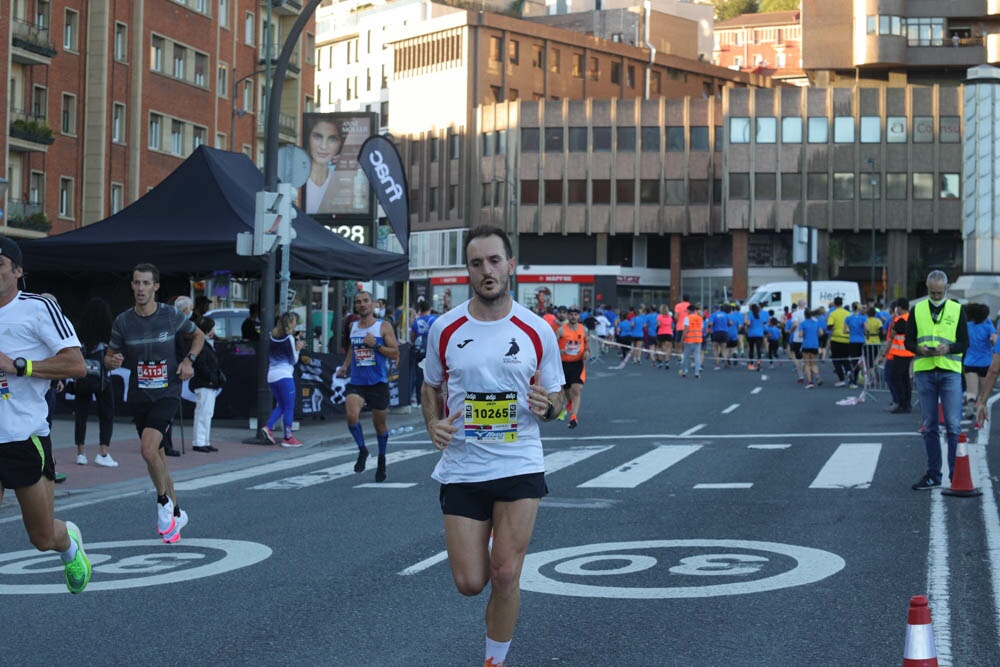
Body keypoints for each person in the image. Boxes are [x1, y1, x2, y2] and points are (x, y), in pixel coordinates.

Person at [421, 225, 565, 667]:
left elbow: (557, 397)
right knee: (470, 582)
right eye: (477, 262)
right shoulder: (444, 328)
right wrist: (433, 424)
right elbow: (430, 386)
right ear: (467, 270)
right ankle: (485, 543)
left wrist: (549, 407)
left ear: (511, 266)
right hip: (464, 466)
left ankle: (493, 662)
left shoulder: (536, 329)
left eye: (495, 261)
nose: (487, 270)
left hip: (519, 461)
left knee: (505, 574)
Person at [0, 235, 92, 593]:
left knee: (41, 536)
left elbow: (77, 364)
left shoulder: (36, 308)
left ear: (18, 271)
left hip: (23, 436)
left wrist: (19, 366)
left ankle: (68, 544)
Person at [105, 262, 205, 543]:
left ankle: (162, 503)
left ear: (156, 287)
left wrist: (189, 360)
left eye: (146, 283)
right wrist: (111, 360)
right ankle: (176, 512)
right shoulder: (123, 321)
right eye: (136, 283)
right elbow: (109, 355)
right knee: (158, 458)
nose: (140, 289)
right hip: (139, 395)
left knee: (148, 450)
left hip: (166, 393)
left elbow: (198, 335)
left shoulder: (171, 316)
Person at [907, 271, 969, 490]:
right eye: (932, 292)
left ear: (946, 289)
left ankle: (957, 475)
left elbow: (964, 342)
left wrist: (949, 348)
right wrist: (918, 348)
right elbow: (908, 341)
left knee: (953, 425)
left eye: (939, 292)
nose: (935, 296)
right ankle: (934, 474)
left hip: (950, 371)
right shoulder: (917, 310)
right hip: (925, 371)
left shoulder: (956, 308)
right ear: (927, 287)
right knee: (930, 425)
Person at [335, 291, 400, 482]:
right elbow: (352, 351)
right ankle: (362, 450)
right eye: (358, 302)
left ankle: (381, 459)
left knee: (379, 426)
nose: (362, 304)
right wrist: (345, 367)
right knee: (351, 415)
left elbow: (395, 352)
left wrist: (376, 346)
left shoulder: (383, 326)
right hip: (357, 382)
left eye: (365, 301)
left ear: (373, 304)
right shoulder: (353, 326)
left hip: (378, 383)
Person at [73, 297, 118, 467]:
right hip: (102, 379)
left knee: (81, 414)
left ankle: (80, 452)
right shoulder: (108, 334)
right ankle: (103, 452)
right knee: (106, 413)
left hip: (83, 376)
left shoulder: (80, 334)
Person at [263, 312, 306, 448]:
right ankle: (288, 437)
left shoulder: (272, 336)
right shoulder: (289, 339)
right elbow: (293, 360)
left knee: (281, 405)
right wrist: (298, 349)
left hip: (272, 375)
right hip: (285, 375)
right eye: (294, 322)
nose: (295, 325)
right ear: (290, 323)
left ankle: (268, 427)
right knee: (288, 406)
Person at [190, 317, 223, 453]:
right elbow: (201, 365)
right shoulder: (202, 345)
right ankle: (199, 441)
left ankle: (204, 440)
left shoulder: (204, 343)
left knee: (206, 413)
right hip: (205, 383)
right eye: (212, 328)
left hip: (207, 383)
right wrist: (212, 378)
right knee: (203, 412)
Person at [556, 305, 588, 429]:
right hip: (563, 364)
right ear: (568, 316)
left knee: (576, 389)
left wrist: (587, 352)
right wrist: (559, 350)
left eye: (575, 314)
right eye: (571, 314)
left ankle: (573, 417)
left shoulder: (584, 330)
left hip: (577, 364)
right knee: (566, 390)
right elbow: (552, 344)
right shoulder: (561, 330)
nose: (573, 317)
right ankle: (570, 402)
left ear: (578, 316)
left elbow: (587, 344)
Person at [962, 303, 994, 416]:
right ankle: (980, 414)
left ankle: (970, 402)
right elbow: (995, 339)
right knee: (983, 393)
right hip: (985, 362)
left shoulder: (967, 326)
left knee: (971, 391)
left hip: (970, 362)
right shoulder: (988, 327)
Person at [409, 299, 437, 406]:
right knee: (433, 377)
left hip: (419, 352)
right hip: (432, 352)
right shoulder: (435, 320)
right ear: (430, 308)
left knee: (418, 376)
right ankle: (432, 399)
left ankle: (419, 400)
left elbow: (412, 338)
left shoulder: (417, 321)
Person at [679, 303, 704, 379]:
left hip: (689, 339)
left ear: (689, 310)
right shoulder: (700, 318)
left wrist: (682, 338)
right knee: (697, 356)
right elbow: (702, 328)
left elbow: (686, 329)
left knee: (686, 356)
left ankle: (684, 371)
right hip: (698, 339)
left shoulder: (687, 318)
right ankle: (697, 372)